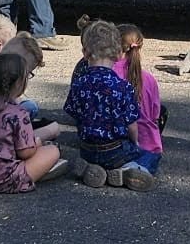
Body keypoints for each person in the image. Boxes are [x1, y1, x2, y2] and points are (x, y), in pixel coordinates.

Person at [63, 19, 157, 191]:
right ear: (118, 54)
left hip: (87, 148)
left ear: (85, 52)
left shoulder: (79, 83)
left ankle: (90, 168)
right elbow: (131, 124)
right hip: (115, 149)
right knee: (151, 156)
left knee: (95, 156)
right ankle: (128, 170)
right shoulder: (122, 87)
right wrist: (135, 142)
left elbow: (74, 113)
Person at [0, 51, 70, 193]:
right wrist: (36, 143)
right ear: (20, 83)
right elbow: (26, 153)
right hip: (5, 178)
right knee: (53, 151)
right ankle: (36, 174)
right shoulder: (18, 113)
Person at [114, 23, 165, 174]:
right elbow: (155, 114)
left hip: (116, 141)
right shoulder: (148, 78)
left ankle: (115, 169)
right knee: (151, 154)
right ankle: (138, 170)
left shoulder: (109, 74)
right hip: (146, 143)